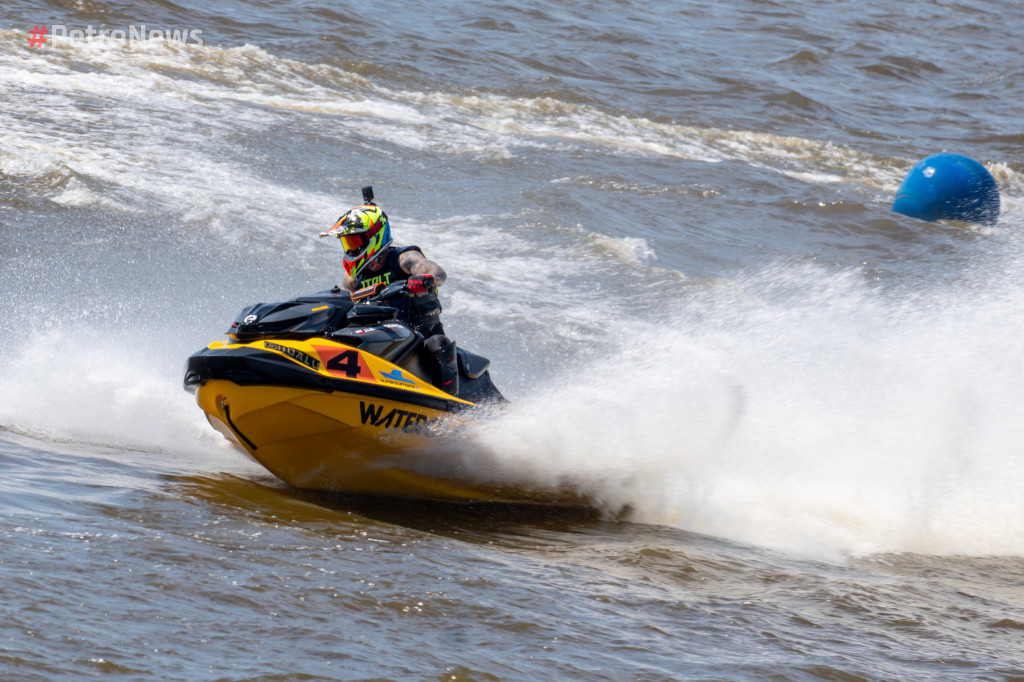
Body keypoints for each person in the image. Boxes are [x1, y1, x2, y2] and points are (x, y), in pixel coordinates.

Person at [320, 194, 459, 395]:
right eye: (347, 243)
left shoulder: (403, 258)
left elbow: (438, 274)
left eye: (355, 241)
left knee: (438, 343)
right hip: (379, 338)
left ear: (374, 236)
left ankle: (449, 407)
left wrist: (422, 279)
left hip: (419, 337)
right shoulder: (352, 279)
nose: (351, 249)